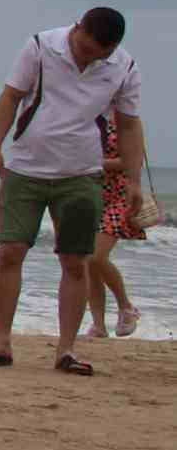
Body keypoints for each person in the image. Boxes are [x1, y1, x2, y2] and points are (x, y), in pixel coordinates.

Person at [0, 8, 145, 376]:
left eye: (99, 54)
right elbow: (10, 97)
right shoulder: (40, 46)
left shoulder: (123, 67)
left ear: (112, 49)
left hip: (81, 173)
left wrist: (133, 181)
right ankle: (1, 343)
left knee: (75, 261)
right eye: (84, 48)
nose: (88, 58)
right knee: (11, 251)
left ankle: (67, 350)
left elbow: (128, 126)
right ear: (77, 28)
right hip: (25, 167)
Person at [85, 109, 154, 338]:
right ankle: (98, 325)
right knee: (88, 264)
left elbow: (133, 160)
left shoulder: (128, 118)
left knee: (96, 256)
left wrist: (94, 163)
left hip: (120, 196)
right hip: (89, 195)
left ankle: (126, 307)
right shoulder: (88, 114)